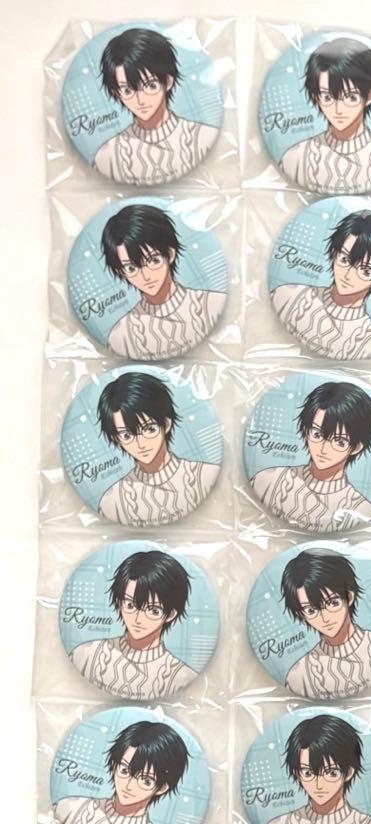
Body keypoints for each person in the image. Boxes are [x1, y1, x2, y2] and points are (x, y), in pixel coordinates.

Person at [270, 209, 371, 359]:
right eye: (344, 259)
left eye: (365, 271)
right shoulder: (290, 296)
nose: (348, 275)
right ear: (334, 253)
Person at [278, 38, 371, 191]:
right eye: (327, 97)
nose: (338, 109)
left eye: (351, 97)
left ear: (369, 97)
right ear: (316, 97)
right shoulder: (296, 158)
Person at [100, 204, 226, 360]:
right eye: (131, 268)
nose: (146, 276)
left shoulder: (211, 305)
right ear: (121, 272)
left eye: (154, 260)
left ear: (170, 254)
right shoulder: (122, 334)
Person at [93, 28, 217, 184]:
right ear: (116, 93)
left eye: (150, 85)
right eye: (127, 90)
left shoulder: (203, 138)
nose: (140, 100)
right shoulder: (109, 154)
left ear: (168, 82)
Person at [251, 381, 371, 532]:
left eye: (340, 442)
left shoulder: (361, 510)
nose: (323, 449)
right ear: (305, 431)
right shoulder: (270, 480)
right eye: (317, 434)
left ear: (356, 447)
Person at [55, 720, 189, 824]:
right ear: (114, 765)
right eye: (124, 770)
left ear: (162, 788)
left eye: (146, 780)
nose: (129, 785)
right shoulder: (73, 809)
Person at [95, 371, 219, 526]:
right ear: (116, 439)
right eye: (127, 435)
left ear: (166, 424)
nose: (140, 444)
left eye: (149, 429)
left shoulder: (205, 476)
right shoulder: (112, 500)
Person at [69, 550, 197, 699]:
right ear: (119, 603)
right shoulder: (87, 654)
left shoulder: (182, 676)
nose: (138, 619)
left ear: (170, 614)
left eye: (153, 610)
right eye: (130, 605)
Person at [280, 548, 371, 699]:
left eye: (333, 603)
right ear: (301, 614)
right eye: (311, 610)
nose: (325, 618)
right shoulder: (299, 675)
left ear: (349, 597)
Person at [261, 714, 371, 824]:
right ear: (297, 773)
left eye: (331, 773)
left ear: (349, 772)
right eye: (308, 773)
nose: (319, 785)